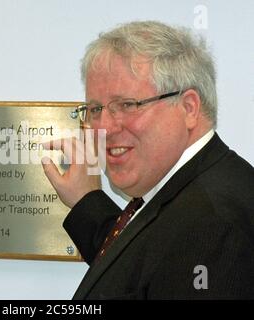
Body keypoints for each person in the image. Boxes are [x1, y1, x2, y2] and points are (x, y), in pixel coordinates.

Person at [41, 21, 254, 299]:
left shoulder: (212, 226)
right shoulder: (191, 188)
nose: (103, 128)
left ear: (189, 108)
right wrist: (86, 201)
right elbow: (142, 264)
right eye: (95, 109)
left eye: (127, 105)